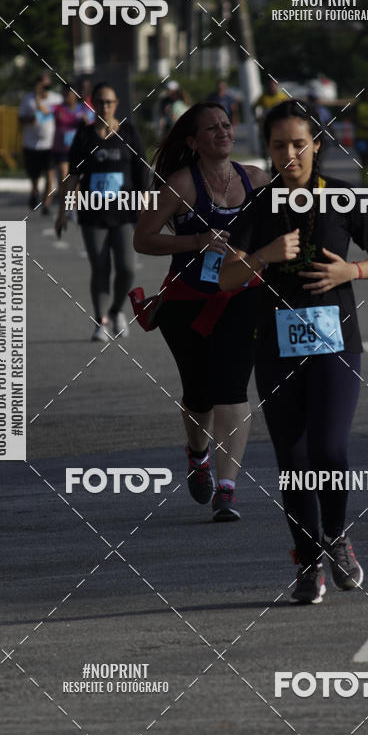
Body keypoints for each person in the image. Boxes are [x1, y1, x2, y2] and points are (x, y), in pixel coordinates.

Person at [219, 99, 368, 603]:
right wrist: (263, 255)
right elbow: (227, 277)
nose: (290, 155)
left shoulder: (343, 197)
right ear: (268, 149)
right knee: (294, 460)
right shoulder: (259, 206)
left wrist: (350, 271)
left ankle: (336, 538)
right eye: (279, 146)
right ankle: (307, 560)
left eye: (299, 144)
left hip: (336, 342)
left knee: (329, 450)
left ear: (316, 145)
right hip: (276, 347)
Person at [133, 102, 268, 521]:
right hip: (187, 301)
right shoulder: (181, 185)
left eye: (226, 125)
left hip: (242, 297)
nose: (222, 132)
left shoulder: (257, 180)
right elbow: (143, 239)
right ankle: (198, 454)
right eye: (211, 129)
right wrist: (196, 241)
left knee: (232, 388)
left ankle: (226, 488)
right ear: (192, 141)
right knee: (198, 394)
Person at [56, 82, 149, 341]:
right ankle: (101, 321)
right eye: (99, 102)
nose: (104, 106)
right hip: (93, 214)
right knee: (100, 268)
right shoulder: (84, 136)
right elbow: (73, 177)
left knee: (127, 268)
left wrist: (145, 204)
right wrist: (62, 212)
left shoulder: (128, 133)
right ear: (92, 104)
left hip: (124, 214)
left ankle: (117, 310)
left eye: (109, 102)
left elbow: (142, 172)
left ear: (116, 104)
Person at [18, 73, 63, 213]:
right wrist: (30, 119)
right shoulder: (28, 99)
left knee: (50, 173)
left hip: (50, 144)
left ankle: (46, 203)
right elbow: (20, 118)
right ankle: (34, 190)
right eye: (42, 85)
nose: (44, 88)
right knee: (35, 175)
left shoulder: (56, 99)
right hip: (31, 144)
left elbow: (57, 115)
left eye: (47, 86)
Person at [52, 84, 90, 190]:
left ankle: (73, 199)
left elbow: (92, 124)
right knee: (63, 175)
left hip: (79, 151)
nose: (66, 96)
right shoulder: (58, 108)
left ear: (75, 94)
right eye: (64, 93)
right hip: (63, 151)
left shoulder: (84, 109)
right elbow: (43, 113)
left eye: (68, 93)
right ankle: (63, 197)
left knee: (76, 181)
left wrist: (86, 121)